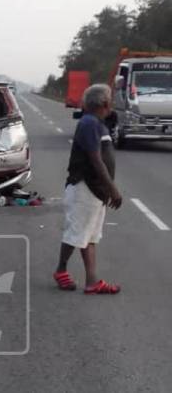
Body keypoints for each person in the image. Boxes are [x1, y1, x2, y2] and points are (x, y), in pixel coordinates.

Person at [53, 84, 122, 294]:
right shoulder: (89, 123)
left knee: (89, 236)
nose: (113, 103)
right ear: (104, 103)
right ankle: (61, 270)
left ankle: (92, 281)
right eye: (111, 99)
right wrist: (113, 190)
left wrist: (105, 189)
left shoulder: (97, 123)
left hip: (95, 190)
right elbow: (96, 159)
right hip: (85, 187)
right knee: (77, 232)